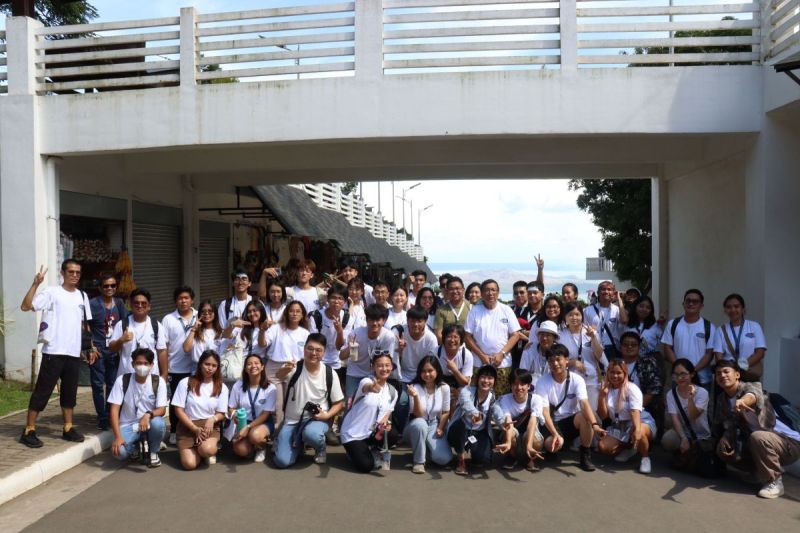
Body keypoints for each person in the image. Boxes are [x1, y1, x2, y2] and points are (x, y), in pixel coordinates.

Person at [20, 260, 93, 447]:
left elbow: (85, 326)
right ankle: (29, 429)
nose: (74, 275)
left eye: (78, 272)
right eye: (71, 272)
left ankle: (68, 427)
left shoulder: (82, 296)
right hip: (54, 351)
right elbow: (26, 306)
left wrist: (90, 347)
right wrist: (36, 283)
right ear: (63, 273)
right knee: (42, 391)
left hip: (73, 353)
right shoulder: (52, 292)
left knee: (69, 393)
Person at [712, 360, 800, 499]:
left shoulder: (753, 386)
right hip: (759, 442)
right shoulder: (722, 400)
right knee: (722, 447)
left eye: (726, 371)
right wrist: (725, 438)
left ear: (737, 374)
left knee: (758, 437)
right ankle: (758, 472)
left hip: (788, 443)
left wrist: (742, 401)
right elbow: (726, 424)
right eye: (718, 374)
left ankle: (775, 482)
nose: (722, 375)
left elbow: (753, 395)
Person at [272, 334, 344, 467]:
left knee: (311, 434)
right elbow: (279, 376)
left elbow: (339, 403)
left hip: (315, 420)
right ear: (304, 349)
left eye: (318, 350)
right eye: (310, 349)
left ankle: (320, 448)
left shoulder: (330, 373)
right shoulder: (294, 367)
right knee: (281, 462)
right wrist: (285, 369)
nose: (314, 353)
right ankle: (297, 444)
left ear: (324, 352)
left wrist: (327, 415)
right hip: (292, 421)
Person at [536, 343, 601, 472]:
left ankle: (585, 455)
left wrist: (595, 424)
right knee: (552, 446)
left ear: (566, 360)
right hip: (551, 424)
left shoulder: (577, 380)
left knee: (586, 416)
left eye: (558, 359)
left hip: (570, 421)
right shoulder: (542, 382)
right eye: (551, 360)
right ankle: (554, 447)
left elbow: (584, 403)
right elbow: (545, 413)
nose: (555, 363)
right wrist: (555, 434)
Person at [108, 348, 168, 467]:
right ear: (132, 364)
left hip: (149, 423)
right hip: (128, 425)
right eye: (139, 363)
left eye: (146, 363)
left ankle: (153, 451)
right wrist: (118, 437)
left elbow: (162, 409)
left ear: (152, 365)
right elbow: (114, 409)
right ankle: (135, 447)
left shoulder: (158, 381)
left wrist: (148, 415)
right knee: (119, 453)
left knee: (159, 423)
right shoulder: (122, 380)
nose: (142, 366)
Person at [340, 351, 399, 473]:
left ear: (392, 366)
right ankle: (352, 452)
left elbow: (387, 414)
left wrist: (385, 426)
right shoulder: (366, 381)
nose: (384, 369)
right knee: (366, 466)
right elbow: (367, 387)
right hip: (353, 434)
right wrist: (372, 388)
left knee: (392, 434)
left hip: (372, 433)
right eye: (380, 365)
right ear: (373, 367)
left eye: (387, 365)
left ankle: (374, 450)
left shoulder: (393, 391)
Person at [596, 359, 657, 474]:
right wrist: (601, 397)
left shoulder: (632, 388)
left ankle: (645, 458)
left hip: (640, 420)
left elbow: (635, 412)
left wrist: (637, 429)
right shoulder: (606, 388)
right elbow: (603, 416)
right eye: (612, 372)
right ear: (608, 373)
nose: (615, 376)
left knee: (640, 432)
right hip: (620, 425)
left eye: (619, 373)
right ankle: (630, 448)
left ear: (625, 374)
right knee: (603, 447)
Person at [171, 350, 229, 469]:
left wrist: (212, 419)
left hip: (209, 427)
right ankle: (195, 450)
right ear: (200, 364)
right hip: (188, 426)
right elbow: (178, 410)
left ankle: (204, 450)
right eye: (207, 364)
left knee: (207, 450)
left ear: (217, 368)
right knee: (189, 464)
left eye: (214, 365)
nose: (210, 368)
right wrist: (194, 428)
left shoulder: (221, 387)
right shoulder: (185, 382)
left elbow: (222, 413)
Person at [464, 279, 521, 395]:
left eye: (493, 290)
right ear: (482, 293)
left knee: (501, 397)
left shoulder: (506, 310)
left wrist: (502, 354)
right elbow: (467, 336)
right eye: (486, 290)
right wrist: (482, 355)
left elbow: (515, 335)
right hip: (479, 363)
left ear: (498, 293)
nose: (490, 293)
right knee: (479, 396)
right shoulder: (474, 311)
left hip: (502, 363)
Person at [87, 272, 128, 430]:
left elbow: (126, 324)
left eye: (113, 285)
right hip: (97, 350)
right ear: (100, 288)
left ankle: (111, 413)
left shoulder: (119, 303)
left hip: (114, 350)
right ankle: (102, 417)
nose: (109, 288)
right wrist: (90, 346)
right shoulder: (93, 304)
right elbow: (86, 325)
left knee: (112, 383)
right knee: (97, 385)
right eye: (106, 286)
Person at [261, 300, 310, 426]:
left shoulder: (305, 333)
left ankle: (292, 430)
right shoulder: (276, 328)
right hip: (274, 369)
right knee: (278, 404)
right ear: (286, 313)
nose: (294, 314)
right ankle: (277, 433)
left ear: (302, 315)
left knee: (292, 402)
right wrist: (262, 330)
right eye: (291, 311)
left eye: (298, 311)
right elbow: (263, 344)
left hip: (294, 369)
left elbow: (308, 356)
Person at [447, 365, 502, 475]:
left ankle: (474, 451)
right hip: (460, 429)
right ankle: (461, 460)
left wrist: (504, 423)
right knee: (460, 427)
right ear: (477, 379)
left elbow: (497, 411)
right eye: (483, 377)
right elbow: (466, 404)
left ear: (494, 382)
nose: (486, 381)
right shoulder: (466, 391)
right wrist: (475, 413)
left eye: (490, 378)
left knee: (482, 460)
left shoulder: (492, 397)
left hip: (478, 432)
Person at [162, 285, 198, 445]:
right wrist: (165, 369)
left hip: (196, 367)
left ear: (192, 300)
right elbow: (165, 346)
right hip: (176, 368)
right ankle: (175, 430)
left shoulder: (199, 316)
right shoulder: (168, 319)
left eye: (186, 298)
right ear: (176, 301)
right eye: (180, 298)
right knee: (176, 402)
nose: (183, 301)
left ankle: (193, 429)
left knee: (194, 401)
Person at [404, 356, 453, 473]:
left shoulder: (444, 388)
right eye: (423, 371)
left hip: (434, 424)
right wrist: (415, 396)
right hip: (415, 425)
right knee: (420, 424)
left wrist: (441, 428)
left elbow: (446, 412)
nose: (427, 374)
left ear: (437, 371)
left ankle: (425, 450)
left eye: (430, 370)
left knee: (443, 459)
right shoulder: (414, 387)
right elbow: (418, 415)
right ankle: (419, 461)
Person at [661, 289, 716, 389]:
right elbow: (667, 347)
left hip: (702, 378)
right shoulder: (673, 324)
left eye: (695, 301)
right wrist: (680, 368)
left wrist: (693, 370)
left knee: (701, 404)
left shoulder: (709, 326)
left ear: (701, 306)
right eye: (688, 300)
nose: (691, 303)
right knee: (678, 404)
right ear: (683, 303)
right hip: (678, 377)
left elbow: (709, 353)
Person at [341, 304, 398, 400]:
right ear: (366, 320)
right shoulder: (356, 333)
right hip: (355, 372)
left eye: (378, 320)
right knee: (351, 403)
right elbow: (341, 357)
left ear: (384, 321)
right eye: (371, 320)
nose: (374, 323)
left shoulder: (388, 337)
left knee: (371, 403)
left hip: (375, 374)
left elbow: (387, 361)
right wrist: (350, 348)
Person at [395, 307, 438, 431]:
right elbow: (390, 357)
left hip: (422, 377)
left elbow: (431, 363)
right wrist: (399, 350)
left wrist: (422, 379)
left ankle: (424, 428)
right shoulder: (400, 333)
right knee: (402, 401)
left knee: (423, 402)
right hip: (402, 376)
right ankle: (401, 431)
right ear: (407, 320)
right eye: (412, 320)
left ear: (425, 321)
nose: (415, 324)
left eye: (419, 321)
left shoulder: (431, 338)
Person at [617, 331, 663, 449]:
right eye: (626, 344)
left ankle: (642, 452)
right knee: (605, 447)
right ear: (620, 346)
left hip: (642, 409)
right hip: (619, 408)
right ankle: (625, 446)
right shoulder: (615, 363)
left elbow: (653, 390)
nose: (629, 347)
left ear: (639, 347)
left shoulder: (648, 363)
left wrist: (635, 409)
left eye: (633, 344)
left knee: (638, 428)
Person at [493, 369, 545, 471]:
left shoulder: (536, 399)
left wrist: (530, 446)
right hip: (513, 431)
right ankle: (511, 456)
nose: (519, 388)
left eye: (522, 384)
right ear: (510, 386)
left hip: (529, 433)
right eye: (515, 384)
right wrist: (508, 442)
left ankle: (528, 457)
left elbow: (532, 423)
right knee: (508, 434)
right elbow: (508, 422)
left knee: (535, 440)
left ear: (529, 386)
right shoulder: (505, 399)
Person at [661, 359, 712, 463]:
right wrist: (683, 438)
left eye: (683, 374)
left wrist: (690, 398)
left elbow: (693, 415)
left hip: (701, 436)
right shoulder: (671, 394)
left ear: (692, 374)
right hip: (683, 432)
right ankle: (680, 454)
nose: (679, 378)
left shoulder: (702, 393)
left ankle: (687, 457)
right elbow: (674, 419)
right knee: (668, 440)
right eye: (675, 375)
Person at [109, 288, 168, 380]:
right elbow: (112, 349)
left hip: (151, 377)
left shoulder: (156, 325)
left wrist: (164, 375)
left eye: (143, 303)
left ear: (149, 306)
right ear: (130, 305)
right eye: (136, 303)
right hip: (127, 377)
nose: (140, 306)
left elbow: (162, 351)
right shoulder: (122, 324)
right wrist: (121, 340)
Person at [227, 354, 276, 463]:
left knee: (255, 436)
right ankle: (251, 445)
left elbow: (265, 414)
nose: (253, 366)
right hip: (243, 422)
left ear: (262, 367)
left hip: (263, 422)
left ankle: (261, 447)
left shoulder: (270, 388)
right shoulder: (238, 385)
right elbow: (231, 407)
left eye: (256, 363)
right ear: (245, 368)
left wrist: (248, 427)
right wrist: (234, 415)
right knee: (240, 450)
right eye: (249, 364)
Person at [557, 303, 605, 409]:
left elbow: (599, 355)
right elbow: (557, 360)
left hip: (591, 379)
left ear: (582, 316)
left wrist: (593, 337)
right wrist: (572, 362)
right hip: (570, 379)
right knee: (575, 413)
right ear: (565, 317)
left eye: (577, 314)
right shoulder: (560, 335)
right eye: (570, 315)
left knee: (592, 412)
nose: (574, 318)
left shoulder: (591, 332)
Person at [712, 294, 766, 382]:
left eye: (736, 306)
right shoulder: (720, 330)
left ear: (743, 309)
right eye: (729, 307)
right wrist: (731, 371)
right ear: (725, 310)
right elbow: (719, 357)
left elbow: (760, 353)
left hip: (749, 373)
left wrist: (740, 367)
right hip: (728, 378)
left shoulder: (754, 326)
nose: (733, 310)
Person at [583, 280, 628, 360]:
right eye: (603, 289)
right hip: (595, 347)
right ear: (598, 292)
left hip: (613, 348)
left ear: (613, 293)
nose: (606, 291)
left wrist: (619, 300)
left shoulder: (617, 310)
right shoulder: (588, 310)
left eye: (609, 289)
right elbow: (584, 332)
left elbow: (624, 320)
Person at [519, 320, 560, 386]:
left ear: (554, 338)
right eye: (542, 334)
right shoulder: (529, 349)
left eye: (548, 335)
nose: (544, 338)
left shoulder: (559, 353)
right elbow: (522, 373)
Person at [183, 299, 222, 367]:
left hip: (215, 369)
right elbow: (186, 349)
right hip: (197, 368)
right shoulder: (193, 330)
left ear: (215, 313)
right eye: (203, 311)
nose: (206, 313)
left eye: (210, 311)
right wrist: (194, 329)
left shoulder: (220, 331)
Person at [433, 276, 471, 344]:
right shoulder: (441, 310)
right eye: (451, 289)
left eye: (457, 288)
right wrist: (453, 347)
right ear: (447, 291)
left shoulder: (471, 308)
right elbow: (438, 335)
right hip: (448, 350)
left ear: (463, 290)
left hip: (469, 350)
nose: (455, 291)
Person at [437, 324, 473, 390]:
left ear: (461, 340)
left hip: (459, 388)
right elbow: (430, 378)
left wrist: (454, 370)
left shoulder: (467, 355)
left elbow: (465, 382)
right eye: (449, 337)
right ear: (444, 339)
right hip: (439, 386)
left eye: (455, 337)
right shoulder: (435, 352)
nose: (452, 340)